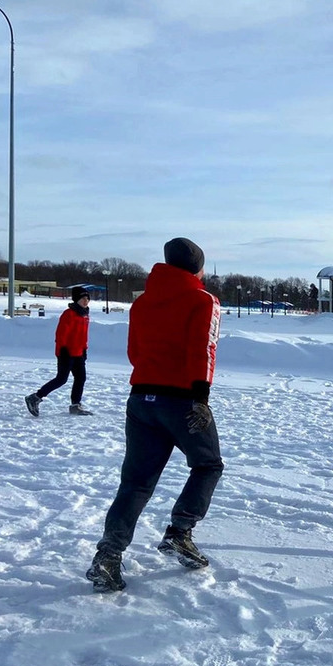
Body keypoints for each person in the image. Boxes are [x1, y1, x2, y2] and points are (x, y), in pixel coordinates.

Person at [85, 237, 224, 592]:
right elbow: (203, 348)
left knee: (136, 482)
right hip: (181, 400)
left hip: (141, 398)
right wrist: (200, 397)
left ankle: (109, 556)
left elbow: (135, 351)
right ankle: (180, 531)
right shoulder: (203, 299)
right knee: (207, 464)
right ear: (196, 267)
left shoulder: (143, 302)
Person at [25, 287, 92, 416]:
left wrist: (84, 350)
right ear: (76, 299)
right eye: (83, 298)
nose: (86, 301)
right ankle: (35, 397)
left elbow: (83, 335)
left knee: (81, 378)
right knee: (61, 379)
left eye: (87, 298)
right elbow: (61, 334)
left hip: (79, 352)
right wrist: (63, 350)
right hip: (66, 352)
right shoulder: (69, 314)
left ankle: (75, 405)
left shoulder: (85, 315)